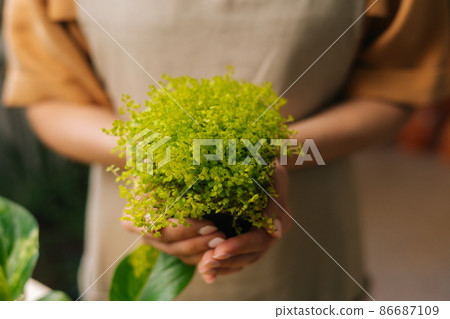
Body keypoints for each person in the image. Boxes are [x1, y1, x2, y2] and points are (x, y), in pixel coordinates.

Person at [3, 0, 449, 300]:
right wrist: (160, 157)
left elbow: (397, 86)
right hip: (133, 232)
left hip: (308, 234)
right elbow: (49, 95)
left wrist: (264, 153)